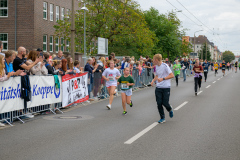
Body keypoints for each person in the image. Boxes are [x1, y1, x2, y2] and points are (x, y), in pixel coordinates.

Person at [150, 54, 174, 124]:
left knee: (165, 103)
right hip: (158, 87)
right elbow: (157, 75)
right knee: (159, 103)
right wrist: (153, 81)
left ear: (156, 60)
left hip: (166, 87)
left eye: (153, 60)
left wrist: (163, 79)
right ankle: (162, 118)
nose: (153, 61)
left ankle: (170, 109)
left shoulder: (165, 66)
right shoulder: (156, 66)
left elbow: (172, 75)